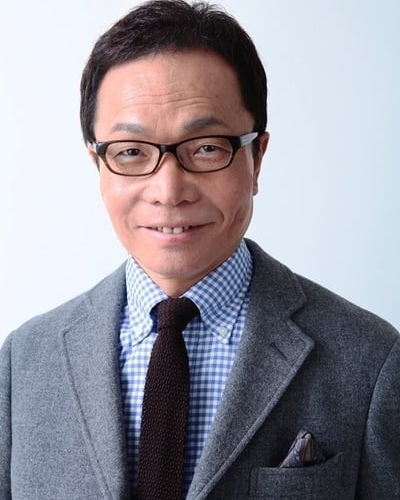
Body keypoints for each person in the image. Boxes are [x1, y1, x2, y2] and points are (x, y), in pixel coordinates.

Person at [0, 0, 399, 499]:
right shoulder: (23, 361)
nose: (169, 191)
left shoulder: (372, 360)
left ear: (257, 159)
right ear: (97, 166)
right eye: (131, 152)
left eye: (207, 147)